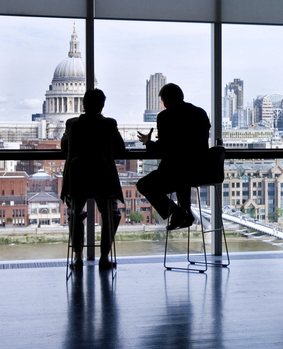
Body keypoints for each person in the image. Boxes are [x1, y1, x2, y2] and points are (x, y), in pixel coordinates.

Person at [61, 89, 125, 271]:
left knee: (74, 213)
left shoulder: (71, 124)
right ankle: (104, 258)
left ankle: (78, 257)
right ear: (102, 106)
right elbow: (120, 149)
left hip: (77, 179)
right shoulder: (109, 124)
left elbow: (64, 147)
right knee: (111, 215)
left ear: (83, 104)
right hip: (102, 178)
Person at [136, 83, 210, 230]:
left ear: (167, 100)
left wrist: (148, 142)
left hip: (176, 171)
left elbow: (162, 150)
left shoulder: (165, 116)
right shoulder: (200, 113)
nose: (164, 105)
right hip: (200, 171)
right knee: (183, 175)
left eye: (163, 101)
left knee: (143, 185)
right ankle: (183, 213)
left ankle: (180, 213)